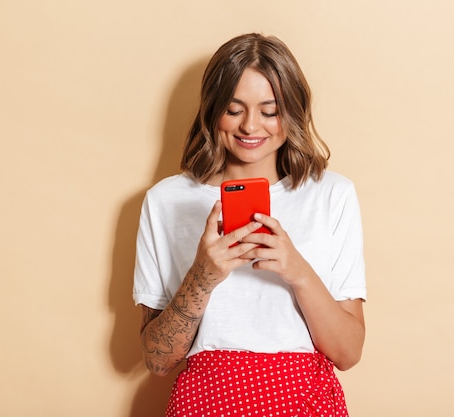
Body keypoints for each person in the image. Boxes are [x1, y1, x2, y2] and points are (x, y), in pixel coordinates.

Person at [133, 33, 367, 417]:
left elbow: (348, 352)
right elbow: (157, 360)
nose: (250, 126)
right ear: (213, 110)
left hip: (305, 401)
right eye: (234, 108)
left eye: (269, 110)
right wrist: (203, 276)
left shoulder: (332, 195)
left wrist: (298, 270)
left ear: (291, 111)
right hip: (205, 402)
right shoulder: (165, 201)